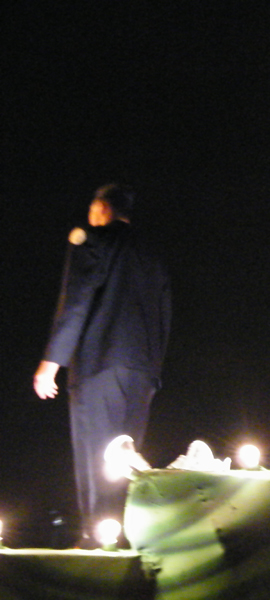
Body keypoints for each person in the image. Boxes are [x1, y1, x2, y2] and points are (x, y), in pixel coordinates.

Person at [34, 183, 171, 547]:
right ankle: (124, 538)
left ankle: (97, 541)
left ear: (102, 209)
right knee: (125, 456)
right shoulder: (151, 253)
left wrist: (52, 361)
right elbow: (164, 314)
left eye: (93, 211)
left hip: (99, 365)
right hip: (142, 371)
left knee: (96, 454)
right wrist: (153, 369)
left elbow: (76, 300)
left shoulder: (95, 240)